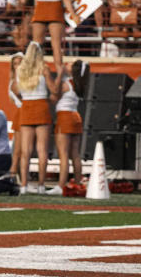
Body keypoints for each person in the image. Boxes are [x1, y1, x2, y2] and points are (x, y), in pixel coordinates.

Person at [10, 41, 62, 194]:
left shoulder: (21, 71)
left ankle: (24, 185)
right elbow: (54, 90)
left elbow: (15, 90)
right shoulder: (43, 69)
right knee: (42, 150)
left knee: (25, 150)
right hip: (41, 107)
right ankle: (40, 185)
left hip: (26, 107)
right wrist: (59, 77)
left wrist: (25, 97)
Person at [50, 60, 88, 196]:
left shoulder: (66, 84)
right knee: (75, 154)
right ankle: (78, 183)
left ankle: (61, 186)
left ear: (73, 70)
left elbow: (53, 96)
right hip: (76, 117)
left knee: (64, 154)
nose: (66, 64)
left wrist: (57, 75)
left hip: (65, 116)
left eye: (70, 64)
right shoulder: (78, 84)